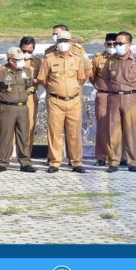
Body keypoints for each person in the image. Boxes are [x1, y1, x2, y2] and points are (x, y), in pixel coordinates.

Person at [37, 30, 87, 173]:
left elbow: (81, 78)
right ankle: (55, 162)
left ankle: (76, 162)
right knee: (55, 132)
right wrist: (54, 89)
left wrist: (71, 90)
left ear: (70, 43)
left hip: (73, 101)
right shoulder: (49, 59)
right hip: (55, 100)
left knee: (74, 132)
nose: (63, 44)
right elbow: (42, 79)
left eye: (65, 41)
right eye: (60, 41)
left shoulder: (77, 59)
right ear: (56, 42)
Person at [104, 31, 136, 172]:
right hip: (114, 98)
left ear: (129, 44)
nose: (117, 46)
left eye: (120, 43)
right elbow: (105, 79)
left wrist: (133, 91)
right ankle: (114, 162)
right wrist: (115, 90)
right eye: (116, 43)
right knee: (114, 131)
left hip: (131, 98)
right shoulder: (111, 60)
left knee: (131, 131)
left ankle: (133, 162)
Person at [0, 47, 36, 172]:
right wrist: (2, 99)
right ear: (11, 60)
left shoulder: (26, 71)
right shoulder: (0, 72)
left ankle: (25, 163)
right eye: (18, 59)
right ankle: (2, 162)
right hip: (6, 108)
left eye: (22, 59)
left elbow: (29, 85)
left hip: (22, 108)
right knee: (6, 135)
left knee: (23, 135)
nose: (21, 61)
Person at [90, 33, 117, 166]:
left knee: (118, 126)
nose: (112, 47)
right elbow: (91, 75)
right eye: (109, 44)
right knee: (102, 126)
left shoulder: (122, 58)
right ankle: (101, 156)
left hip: (118, 95)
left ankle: (118, 156)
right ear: (105, 44)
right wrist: (99, 86)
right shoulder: (98, 58)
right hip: (104, 95)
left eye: (114, 44)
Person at [19, 37, 41, 160]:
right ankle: (9, 155)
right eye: (24, 51)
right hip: (15, 96)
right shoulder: (14, 59)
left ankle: (26, 155)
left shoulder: (37, 62)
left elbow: (42, 78)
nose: (26, 53)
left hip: (30, 96)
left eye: (29, 51)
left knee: (30, 126)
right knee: (11, 125)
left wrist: (33, 81)